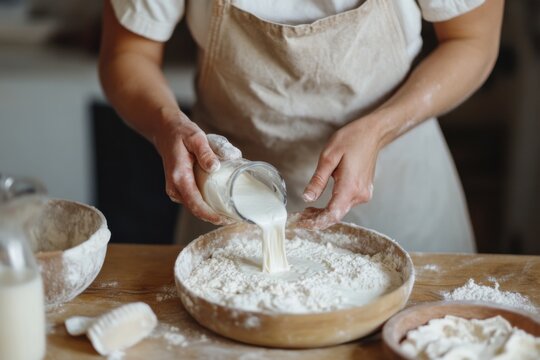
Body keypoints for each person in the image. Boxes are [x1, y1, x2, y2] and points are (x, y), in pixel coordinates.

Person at [99, 0, 504, 252]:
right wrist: (166, 124)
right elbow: (128, 52)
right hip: (229, 194)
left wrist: (380, 128)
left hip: (398, 189)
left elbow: (473, 41)